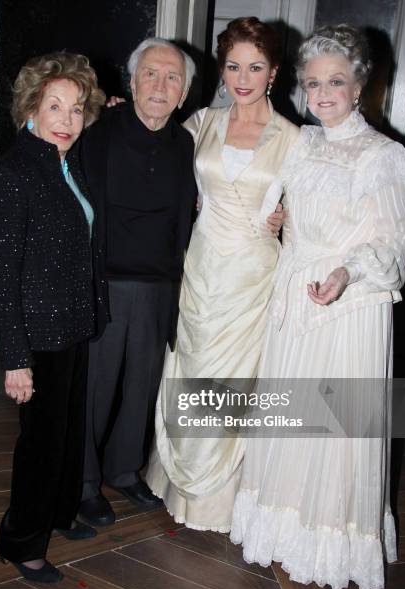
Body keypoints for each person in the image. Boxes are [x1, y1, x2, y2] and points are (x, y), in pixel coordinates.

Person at [230, 25, 405, 589]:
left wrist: (345, 273)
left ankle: (332, 539)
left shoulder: (385, 156)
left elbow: (393, 241)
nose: (323, 93)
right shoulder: (305, 141)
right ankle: (282, 531)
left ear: (361, 83)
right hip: (295, 296)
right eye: (313, 84)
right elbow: (290, 201)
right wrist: (283, 219)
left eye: (336, 81)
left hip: (349, 306)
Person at [145, 17, 299, 531]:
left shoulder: (295, 139)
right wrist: (122, 112)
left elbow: (315, 210)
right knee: (191, 368)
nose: (243, 77)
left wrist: (287, 218)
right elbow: (155, 148)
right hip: (201, 266)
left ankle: (222, 501)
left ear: (274, 71)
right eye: (233, 65)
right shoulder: (202, 123)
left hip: (254, 276)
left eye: (255, 66)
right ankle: (177, 485)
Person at [0, 52, 107, 582]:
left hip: (72, 325)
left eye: (76, 109)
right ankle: (21, 541)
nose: (66, 119)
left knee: (68, 433)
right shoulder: (9, 176)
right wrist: (15, 360)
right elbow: (2, 280)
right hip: (37, 335)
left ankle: (58, 514)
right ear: (30, 108)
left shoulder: (65, 162)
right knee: (40, 444)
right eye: (54, 106)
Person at [77, 38, 198, 527]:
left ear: (184, 91)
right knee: (95, 387)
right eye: (151, 74)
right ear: (131, 83)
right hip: (102, 279)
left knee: (142, 384)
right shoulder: (98, 129)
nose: (160, 85)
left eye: (172, 78)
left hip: (160, 285)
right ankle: (83, 481)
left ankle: (125, 470)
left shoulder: (186, 143)